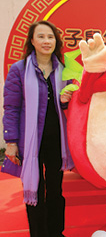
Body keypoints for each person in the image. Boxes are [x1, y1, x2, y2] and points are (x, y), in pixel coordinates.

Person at [2, 20, 75, 237]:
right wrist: (11, 142)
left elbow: (67, 106)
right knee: (35, 189)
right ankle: (39, 233)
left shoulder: (63, 69)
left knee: (55, 189)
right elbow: (11, 107)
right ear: (32, 41)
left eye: (50, 37)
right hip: (29, 141)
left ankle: (56, 232)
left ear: (56, 41)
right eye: (41, 36)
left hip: (56, 141)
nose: (46, 41)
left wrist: (65, 100)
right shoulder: (19, 70)